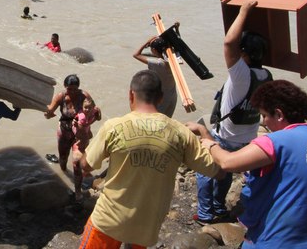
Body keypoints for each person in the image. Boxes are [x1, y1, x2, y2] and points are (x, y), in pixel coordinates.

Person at [187, 80, 307, 248]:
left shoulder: (276, 141)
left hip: (274, 241)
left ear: (278, 114)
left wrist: (208, 140)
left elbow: (227, 162)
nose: (263, 122)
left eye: (264, 115)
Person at [78, 70, 220, 248]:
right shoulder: (181, 133)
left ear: (131, 94)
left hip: (108, 221)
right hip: (146, 227)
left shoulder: (113, 127)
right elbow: (217, 171)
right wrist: (205, 133)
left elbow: (86, 165)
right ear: (160, 98)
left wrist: (80, 153)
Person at [198, 1, 273, 225]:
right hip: (247, 138)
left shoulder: (241, 74)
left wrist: (243, 12)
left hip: (226, 136)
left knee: (206, 170)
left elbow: (228, 42)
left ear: (244, 54)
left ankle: (205, 214)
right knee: (227, 171)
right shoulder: (266, 75)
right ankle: (219, 207)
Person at [45, 74, 101, 181]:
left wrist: (93, 119)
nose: (72, 92)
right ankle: (64, 174)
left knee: (78, 161)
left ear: (78, 88)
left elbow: (94, 113)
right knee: (63, 158)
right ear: (65, 86)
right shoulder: (61, 97)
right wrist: (48, 114)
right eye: (69, 89)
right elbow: (48, 112)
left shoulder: (84, 96)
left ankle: (78, 188)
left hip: (80, 134)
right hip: (64, 131)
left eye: (75, 89)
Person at [133, 36, 177, 117]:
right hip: (172, 97)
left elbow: (136, 55)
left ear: (154, 50)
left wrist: (146, 42)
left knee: (156, 120)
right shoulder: (174, 60)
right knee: (166, 120)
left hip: (162, 100)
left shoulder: (158, 64)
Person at [70, 97, 100, 200]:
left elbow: (98, 117)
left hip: (85, 133)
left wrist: (98, 113)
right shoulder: (82, 117)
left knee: (86, 153)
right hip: (79, 136)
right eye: (85, 108)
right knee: (77, 163)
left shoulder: (94, 110)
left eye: (89, 108)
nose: (87, 110)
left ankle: (85, 173)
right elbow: (84, 132)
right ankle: (78, 191)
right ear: (82, 108)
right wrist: (87, 131)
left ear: (93, 107)